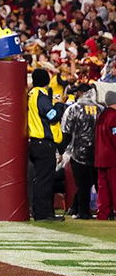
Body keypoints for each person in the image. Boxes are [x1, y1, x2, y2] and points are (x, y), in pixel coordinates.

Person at [27, 67, 65, 221]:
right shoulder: (40, 96)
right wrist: (59, 104)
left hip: (36, 143)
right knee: (45, 180)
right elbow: (53, 116)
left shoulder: (31, 94)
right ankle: (43, 214)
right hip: (43, 143)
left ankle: (41, 212)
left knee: (40, 179)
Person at [61, 88, 101, 219]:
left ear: (79, 93)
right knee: (95, 183)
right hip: (97, 152)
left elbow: (66, 132)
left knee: (83, 184)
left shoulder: (73, 109)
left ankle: (83, 211)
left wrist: (60, 151)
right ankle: (76, 207)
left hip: (78, 152)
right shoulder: (100, 109)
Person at [93, 69, 116, 221]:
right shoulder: (114, 117)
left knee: (103, 188)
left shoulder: (101, 116)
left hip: (100, 157)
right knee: (114, 186)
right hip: (112, 157)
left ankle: (103, 212)